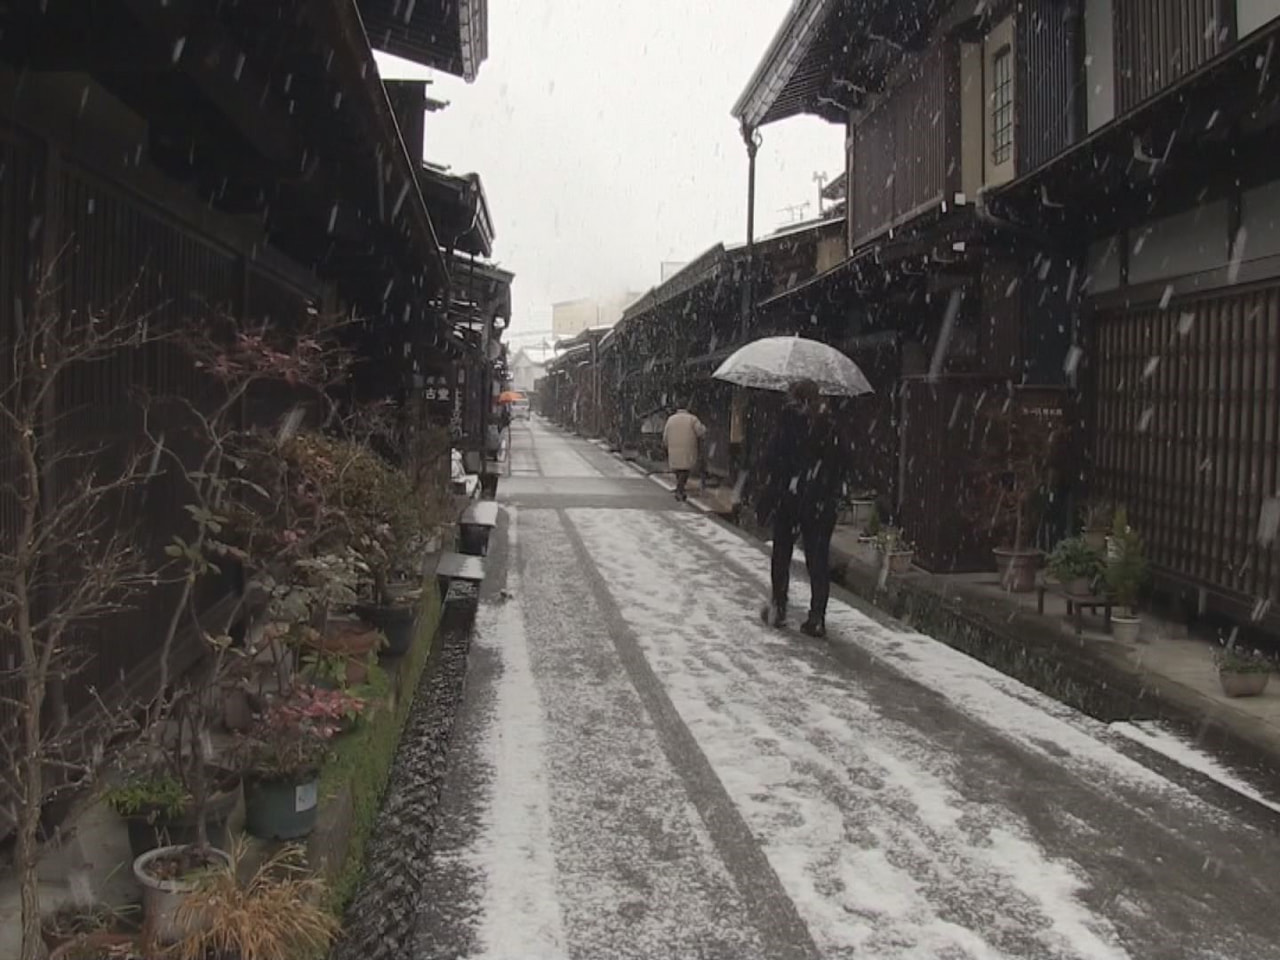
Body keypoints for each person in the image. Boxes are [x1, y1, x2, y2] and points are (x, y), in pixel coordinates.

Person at [754, 380, 850, 638]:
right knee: (818, 560)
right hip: (821, 501)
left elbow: (771, 459)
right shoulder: (830, 424)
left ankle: (778, 607)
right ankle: (817, 617)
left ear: (795, 397)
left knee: (782, 553)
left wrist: (773, 484)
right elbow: (844, 461)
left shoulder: (787, 421)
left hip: (791, 498)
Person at [662, 400, 707, 502]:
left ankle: (680, 489)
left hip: (674, 448)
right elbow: (701, 432)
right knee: (685, 470)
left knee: (678, 470)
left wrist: (667, 445)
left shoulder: (671, 419)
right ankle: (680, 490)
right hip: (688, 448)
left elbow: (665, 437)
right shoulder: (692, 419)